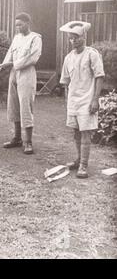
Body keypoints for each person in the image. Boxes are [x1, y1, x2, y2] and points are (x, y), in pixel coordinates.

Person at [0, 12, 42, 154]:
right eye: (16, 25)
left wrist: (13, 64)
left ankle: (28, 142)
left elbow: (33, 58)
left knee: (26, 105)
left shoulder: (35, 38)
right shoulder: (17, 38)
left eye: (20, 24)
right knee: (13, 105)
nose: (18, 27)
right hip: (14, 73)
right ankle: (17, 138)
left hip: (27, 73)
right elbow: (9, 57)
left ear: (27, 23)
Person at [59, 21, 105, 179]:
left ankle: (84, 165)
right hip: (74, 100)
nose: (74, 40)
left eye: (77, 37)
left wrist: (95, 100)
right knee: (76, 132)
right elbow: (65, 82)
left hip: (87, 99)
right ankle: (79, 160)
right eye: (71, 38)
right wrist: (67, 101)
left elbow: (99, 76)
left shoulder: (92, 54)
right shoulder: (68, 58)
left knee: (85, 133)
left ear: (84, 37)